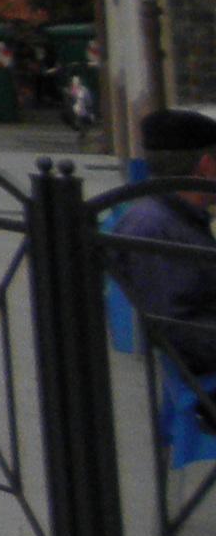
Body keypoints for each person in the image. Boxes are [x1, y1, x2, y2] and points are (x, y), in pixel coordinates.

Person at [104, 107, 216, 386]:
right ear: (206, 167)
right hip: (202, 388)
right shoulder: (155, 227)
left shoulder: (174, 217)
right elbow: (181, 332)